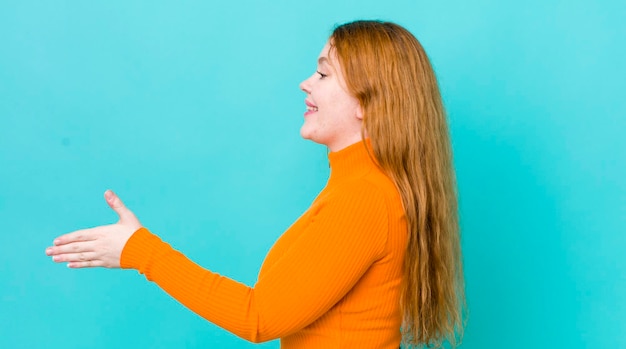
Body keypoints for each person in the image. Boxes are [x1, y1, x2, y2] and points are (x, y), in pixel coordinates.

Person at [46, 20, 465, 348]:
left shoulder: (365, 199)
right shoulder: (359, 187)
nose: (306, 82)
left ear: (367, 101)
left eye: (323, 74)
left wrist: (140, 250)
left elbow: (259, 317)